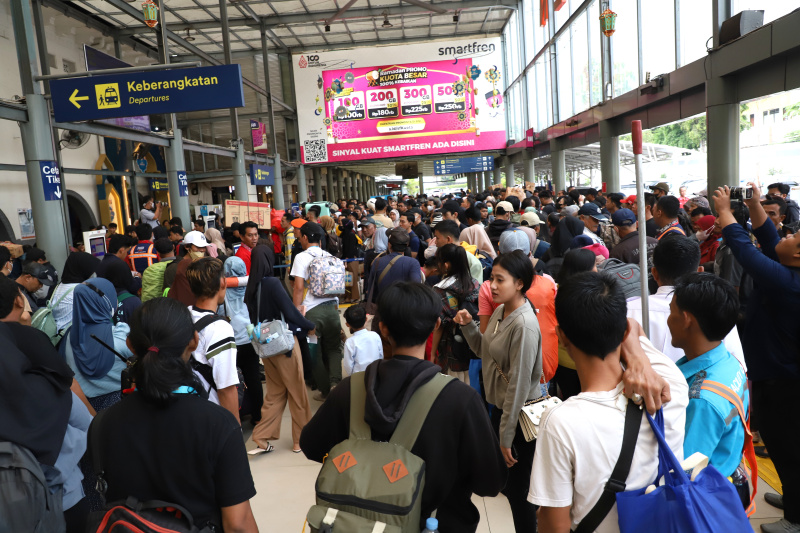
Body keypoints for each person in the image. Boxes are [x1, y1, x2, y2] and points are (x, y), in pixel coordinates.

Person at [301, 282, 507, 532]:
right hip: (441, 523)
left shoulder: (349, 391)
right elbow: (490, 483)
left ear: (383, 327)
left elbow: (311, 446)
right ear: (435, 326)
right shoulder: (461, 400)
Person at [529, 273, 689, 533]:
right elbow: (631, 325)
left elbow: (554, 524)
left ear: (561, 336)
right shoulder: (670, 382)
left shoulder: (560, 421)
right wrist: (637, 357)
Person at [87, 298, 258, 532]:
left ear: (130, 345)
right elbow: (238, 524)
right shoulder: (218, 424)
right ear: (194, 341)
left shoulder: (101, 424)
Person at [714, 184, 800, 531]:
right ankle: (793, 496)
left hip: (785, 383)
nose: (788, 234)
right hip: (778, 375)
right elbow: (768, 239)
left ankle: (795, 518)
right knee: (784, 448)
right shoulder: (789, 269)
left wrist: (723, 211)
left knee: (787, 448)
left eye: (794, 237)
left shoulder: (789, 284)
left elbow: (746, 252)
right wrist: (752, 204)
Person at [453, 251, 541, 531]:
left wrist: (506, 436)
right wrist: (469, 327)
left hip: (517, 420)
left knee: (520, 496)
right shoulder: (503, 311)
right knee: (505, 483)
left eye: (499, 280)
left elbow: (519, 385)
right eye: (492, 278)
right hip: (500, 412)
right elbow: (486, 351)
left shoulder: (525, 325)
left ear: (519, 283)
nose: (491, 285)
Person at [668, 273, 749, 479]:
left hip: (702, 497)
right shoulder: (730, 363)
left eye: (671, 311)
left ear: (686, 320)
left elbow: (684, 473)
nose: (668, 319)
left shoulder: (701, 400)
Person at [627, 235, 746, 368]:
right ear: (699, 271)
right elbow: (738, 366)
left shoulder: (627, 311)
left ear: (654, 273)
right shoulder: (715, 308)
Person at [478, 232, 558, 386]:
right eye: (494, 279)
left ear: (499, 255)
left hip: (507, 374)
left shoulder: (489, 289)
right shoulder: (548, 282)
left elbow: (485, 334)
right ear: (530, 254)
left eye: (500, 280)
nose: (495, 284)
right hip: (544, 368)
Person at [62, 278, 133, 412]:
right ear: (106, 301)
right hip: (119, 406)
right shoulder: (121, 336)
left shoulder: (69, 336)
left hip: (81, 406)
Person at [291, 222, 344, 400]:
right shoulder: (329, 255)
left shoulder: (301, 257)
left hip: (312, 313)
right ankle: (336, 383)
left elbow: (298, 288)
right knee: (334, 348)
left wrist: (296, 313)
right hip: (332, 310)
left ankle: (326, 391)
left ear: (305, 237)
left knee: (314, 351)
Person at [186, 257, 240, 423]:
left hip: (189, 409)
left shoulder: (185, 314)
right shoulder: (220, 329)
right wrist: (234, 428)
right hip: (211, 416)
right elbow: (226, 388)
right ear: (223, 283)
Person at [431, 244, 480, 383]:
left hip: (452, 350)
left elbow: (439, 325)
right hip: (473, 346)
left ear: (446, 265)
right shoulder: (474, 284)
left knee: (452, 387)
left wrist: (433, 352)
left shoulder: (440, 290)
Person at [223, 255, 263, 424]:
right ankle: (257, 416)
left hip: (231, 342)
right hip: (250, 338)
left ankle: (237, 415)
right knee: (253, 377)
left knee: (232, 381)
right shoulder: (252, 286)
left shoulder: (222, 290)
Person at [168, 230, 210, 306]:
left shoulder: (205, 264)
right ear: (187, 247)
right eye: (198, 247)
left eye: (204, 247)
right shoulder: (175, 267)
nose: (202, 250)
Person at [342, 304, 383, 377]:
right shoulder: (375, 335)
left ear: (347, 324)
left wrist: (353, 376)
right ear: (366, 319)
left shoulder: (350, 342)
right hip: (375, 373)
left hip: (358, 376)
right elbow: (381, 356)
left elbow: (348, 365)